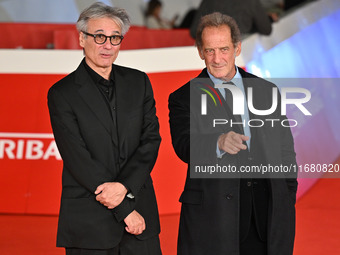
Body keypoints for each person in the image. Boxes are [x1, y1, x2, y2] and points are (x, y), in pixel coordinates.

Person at [169, 12, 298, 255]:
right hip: (214, 220)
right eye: (210, 50)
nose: (217, 59)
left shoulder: (265, 90)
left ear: (237, 48)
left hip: (268, 219)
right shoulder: (183, 97)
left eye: (224, 49)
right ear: (200, 51)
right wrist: (217, 142)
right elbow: (184, 146)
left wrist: (285, 196)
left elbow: (285, 150)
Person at [48, 2, 162, 255]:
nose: (108, 45)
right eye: (99, 36)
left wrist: (124, 188)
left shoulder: (139, 82)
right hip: (90, 222)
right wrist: (125, 210)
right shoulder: (61, 94)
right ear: (81, 38)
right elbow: (78, 158)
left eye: (115, 38)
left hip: (141, 218)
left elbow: (150, 141)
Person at [190, 0, 272, 38]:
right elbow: (266, 29)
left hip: (214, 54)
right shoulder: (250, 2)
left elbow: (194, 31)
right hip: (242, 52)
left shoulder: (208, 2)